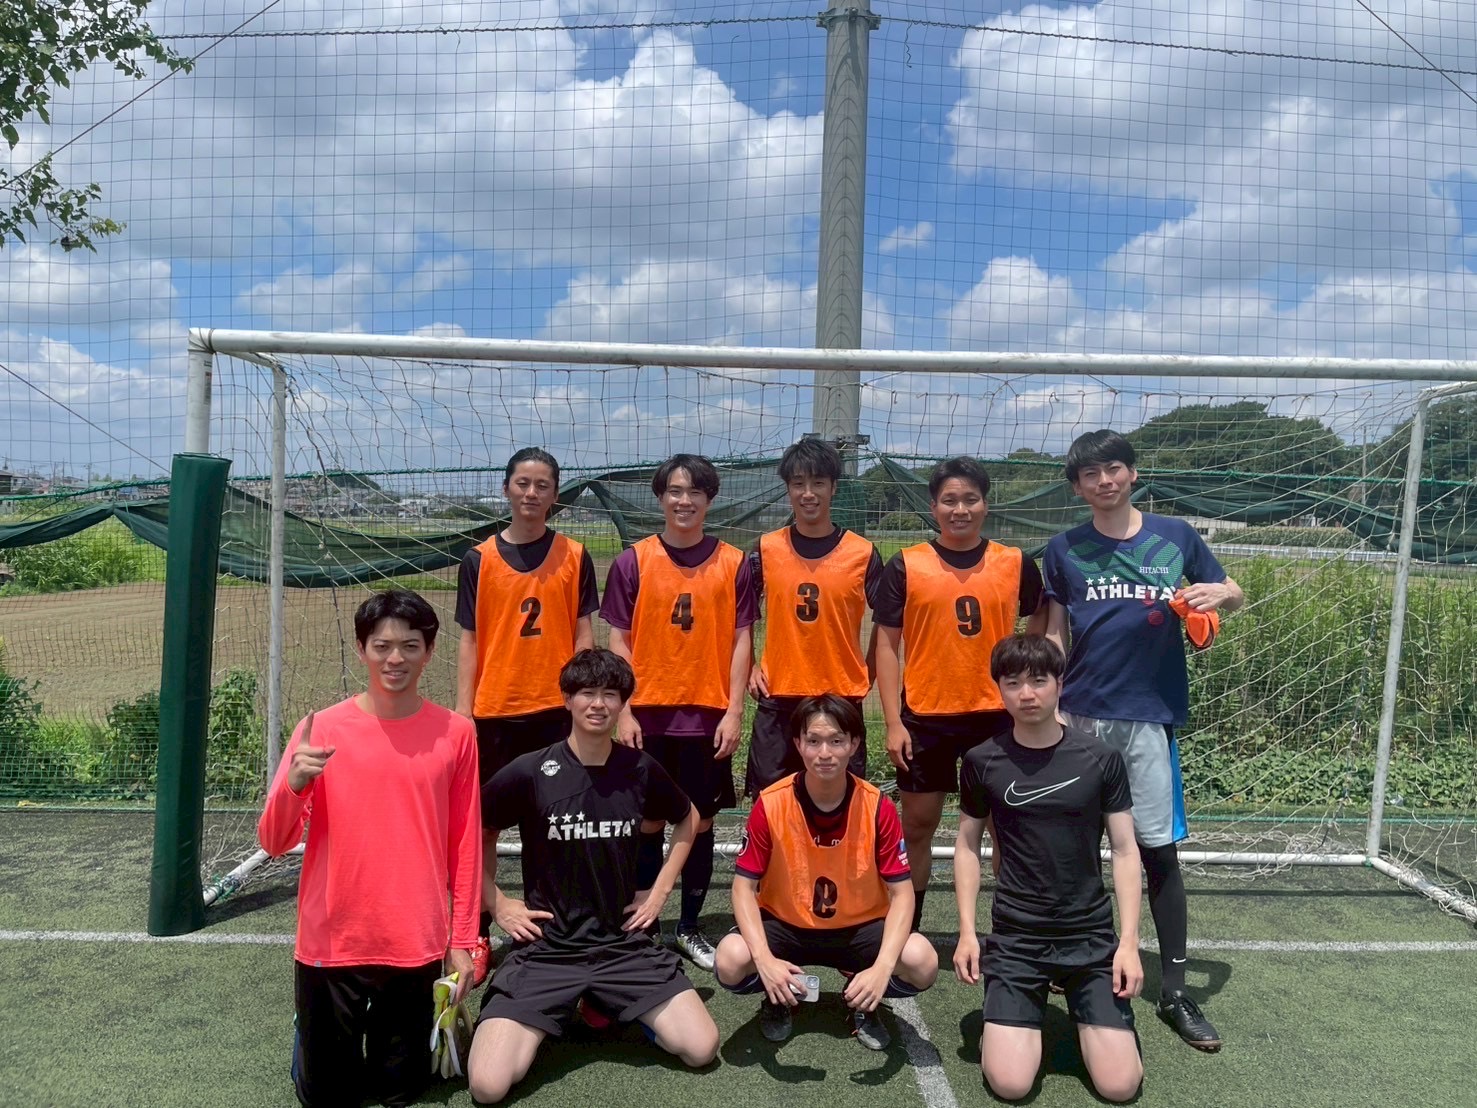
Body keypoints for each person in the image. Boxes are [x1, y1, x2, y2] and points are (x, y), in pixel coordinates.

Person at [1042, 429, 1244, 1051]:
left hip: (1149, 719)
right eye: (1090, 474)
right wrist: (1045, 704)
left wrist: (1223, 594)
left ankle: (1175, 991)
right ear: (1077, 487)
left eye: (1114, 468)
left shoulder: (1176, 536)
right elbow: (1053, 633)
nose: (1104, 481)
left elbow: (1232, 592)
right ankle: (1073, 961)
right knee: (1072, 850)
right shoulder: (1062, 549)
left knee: (1157, 851)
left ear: (1132, 473)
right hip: (1079, 716)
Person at [258, 588, 482, 1108]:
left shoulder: (457, 734)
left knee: (399, 1092)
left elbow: (466, 844)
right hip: (331, 941)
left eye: (409, 646)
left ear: (429, 651)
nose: (395, 658)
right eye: (382, 646)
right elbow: (273, 841)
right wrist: (294, 785)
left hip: (414, 941)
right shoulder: (320, 730)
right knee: (326, 1097)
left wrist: (463, 940)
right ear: (362, 650)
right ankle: (309, 1046)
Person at [466, 649, 719, 1103]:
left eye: (610, 694)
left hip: (620, 943)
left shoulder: (638, 768)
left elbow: (688, 818)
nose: (598, 704)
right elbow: (475, 830)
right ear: (567, 699)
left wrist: (659, 893)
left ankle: (607, 1002)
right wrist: (496, 901)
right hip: (549, 948)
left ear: (623, 703)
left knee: (701, 1048)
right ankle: (568, 1004)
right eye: (586, 693)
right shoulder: (532, 769)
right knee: (488, 1086)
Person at [953, 634, 1143, 1103]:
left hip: (1089, 934)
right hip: (1017, 936)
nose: (1027, 693)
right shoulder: (981, 760)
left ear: (1060, 683)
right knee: (1010, 1084)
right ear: (999, 689)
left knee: (1120, 1086)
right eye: (1013, 682)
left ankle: (1088, 1013)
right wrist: (967, 933)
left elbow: (1124, 850)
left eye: (1039, 681)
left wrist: (1129, 943)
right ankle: (1012, 1011)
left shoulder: (1101, 758)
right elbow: (967, 845)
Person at [873, 456, 1045, 932]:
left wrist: (1026, 666)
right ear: (933, 507)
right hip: (925, 716)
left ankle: (1014, 934)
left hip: (997, 717)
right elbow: (886, 646)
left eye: (971, 499)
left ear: (986, 504)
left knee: (1006, 829)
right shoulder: (907, 564)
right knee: (917, 826)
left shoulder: (1014, 562)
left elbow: (1040, 611)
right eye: (949, 500)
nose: (960, 509)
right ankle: (907, 932)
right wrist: (893, 723)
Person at [600, 453, 757, 970]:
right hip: (647, 716)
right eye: (674, 491)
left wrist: (734, 710)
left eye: (694, 492)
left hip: (707, 717)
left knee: (701, 821)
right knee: (646, 822)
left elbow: (741, 639)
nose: (684, 501)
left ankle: (689, 926)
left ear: (710, 499)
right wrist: (625, 710)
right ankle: (643, 925)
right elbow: (618, 640)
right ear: (660, 497)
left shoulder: (734, 562)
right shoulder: (633, 561)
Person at [715, 694, 938, 1051]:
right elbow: (743, 888)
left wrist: (882, 968)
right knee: (730, 959)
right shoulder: (771, 802)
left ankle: (862, 996)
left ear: (854, 744)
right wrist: (765, 960)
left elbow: (902, 893)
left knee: (922, 961)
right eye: (814, 741)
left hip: (858, 929)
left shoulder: (877, 806)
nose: (824, 753)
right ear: (798, 744)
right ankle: (778, 994)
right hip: (785, 925)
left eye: (836, 741)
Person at [746, 438, 884, 795]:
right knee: (772, 803)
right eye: (798, 484)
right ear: (788, 489)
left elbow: (888, 621)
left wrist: (868, 668)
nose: (808, 493)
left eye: (818, 483)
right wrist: (749, 666)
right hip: (779, 694)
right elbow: (738, 615)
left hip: (839, 695)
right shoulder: (766, 548)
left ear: (833, 487)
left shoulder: (862, 552)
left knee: (839, 803)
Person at [454, 447, 599, 781]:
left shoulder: (575, 556)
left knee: (555, 806)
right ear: (506, 489)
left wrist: (582, 694)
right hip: (495, 708)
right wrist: (464, 709)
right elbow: (469, 639)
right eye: (523, 483)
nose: (532, 493)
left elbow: (583, 634)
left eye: (542, 485)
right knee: (493, 807)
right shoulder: (478, 560)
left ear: (555, 495)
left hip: (556, 706)